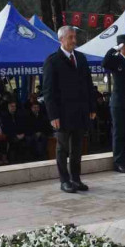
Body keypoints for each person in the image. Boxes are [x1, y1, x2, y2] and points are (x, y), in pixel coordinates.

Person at [43, 25, 96, 193]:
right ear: (61, 39)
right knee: (62, 148)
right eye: (70, 37)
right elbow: (48, 91)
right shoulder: (52, 60)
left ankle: (76, 178)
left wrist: (92, 107)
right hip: (63, 115)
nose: (74, 40)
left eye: (75, 37)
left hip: (80, 112)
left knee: (77, 149)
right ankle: (64, 180)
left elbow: (88, 84)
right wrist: (53, 116)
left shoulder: (81, 58)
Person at [102, 34, 125, 173]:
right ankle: (118, 162)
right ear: (120, 46)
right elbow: (104, 62)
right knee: (119, 132)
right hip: (118, 103)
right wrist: (115, 49)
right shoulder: (115, 60)